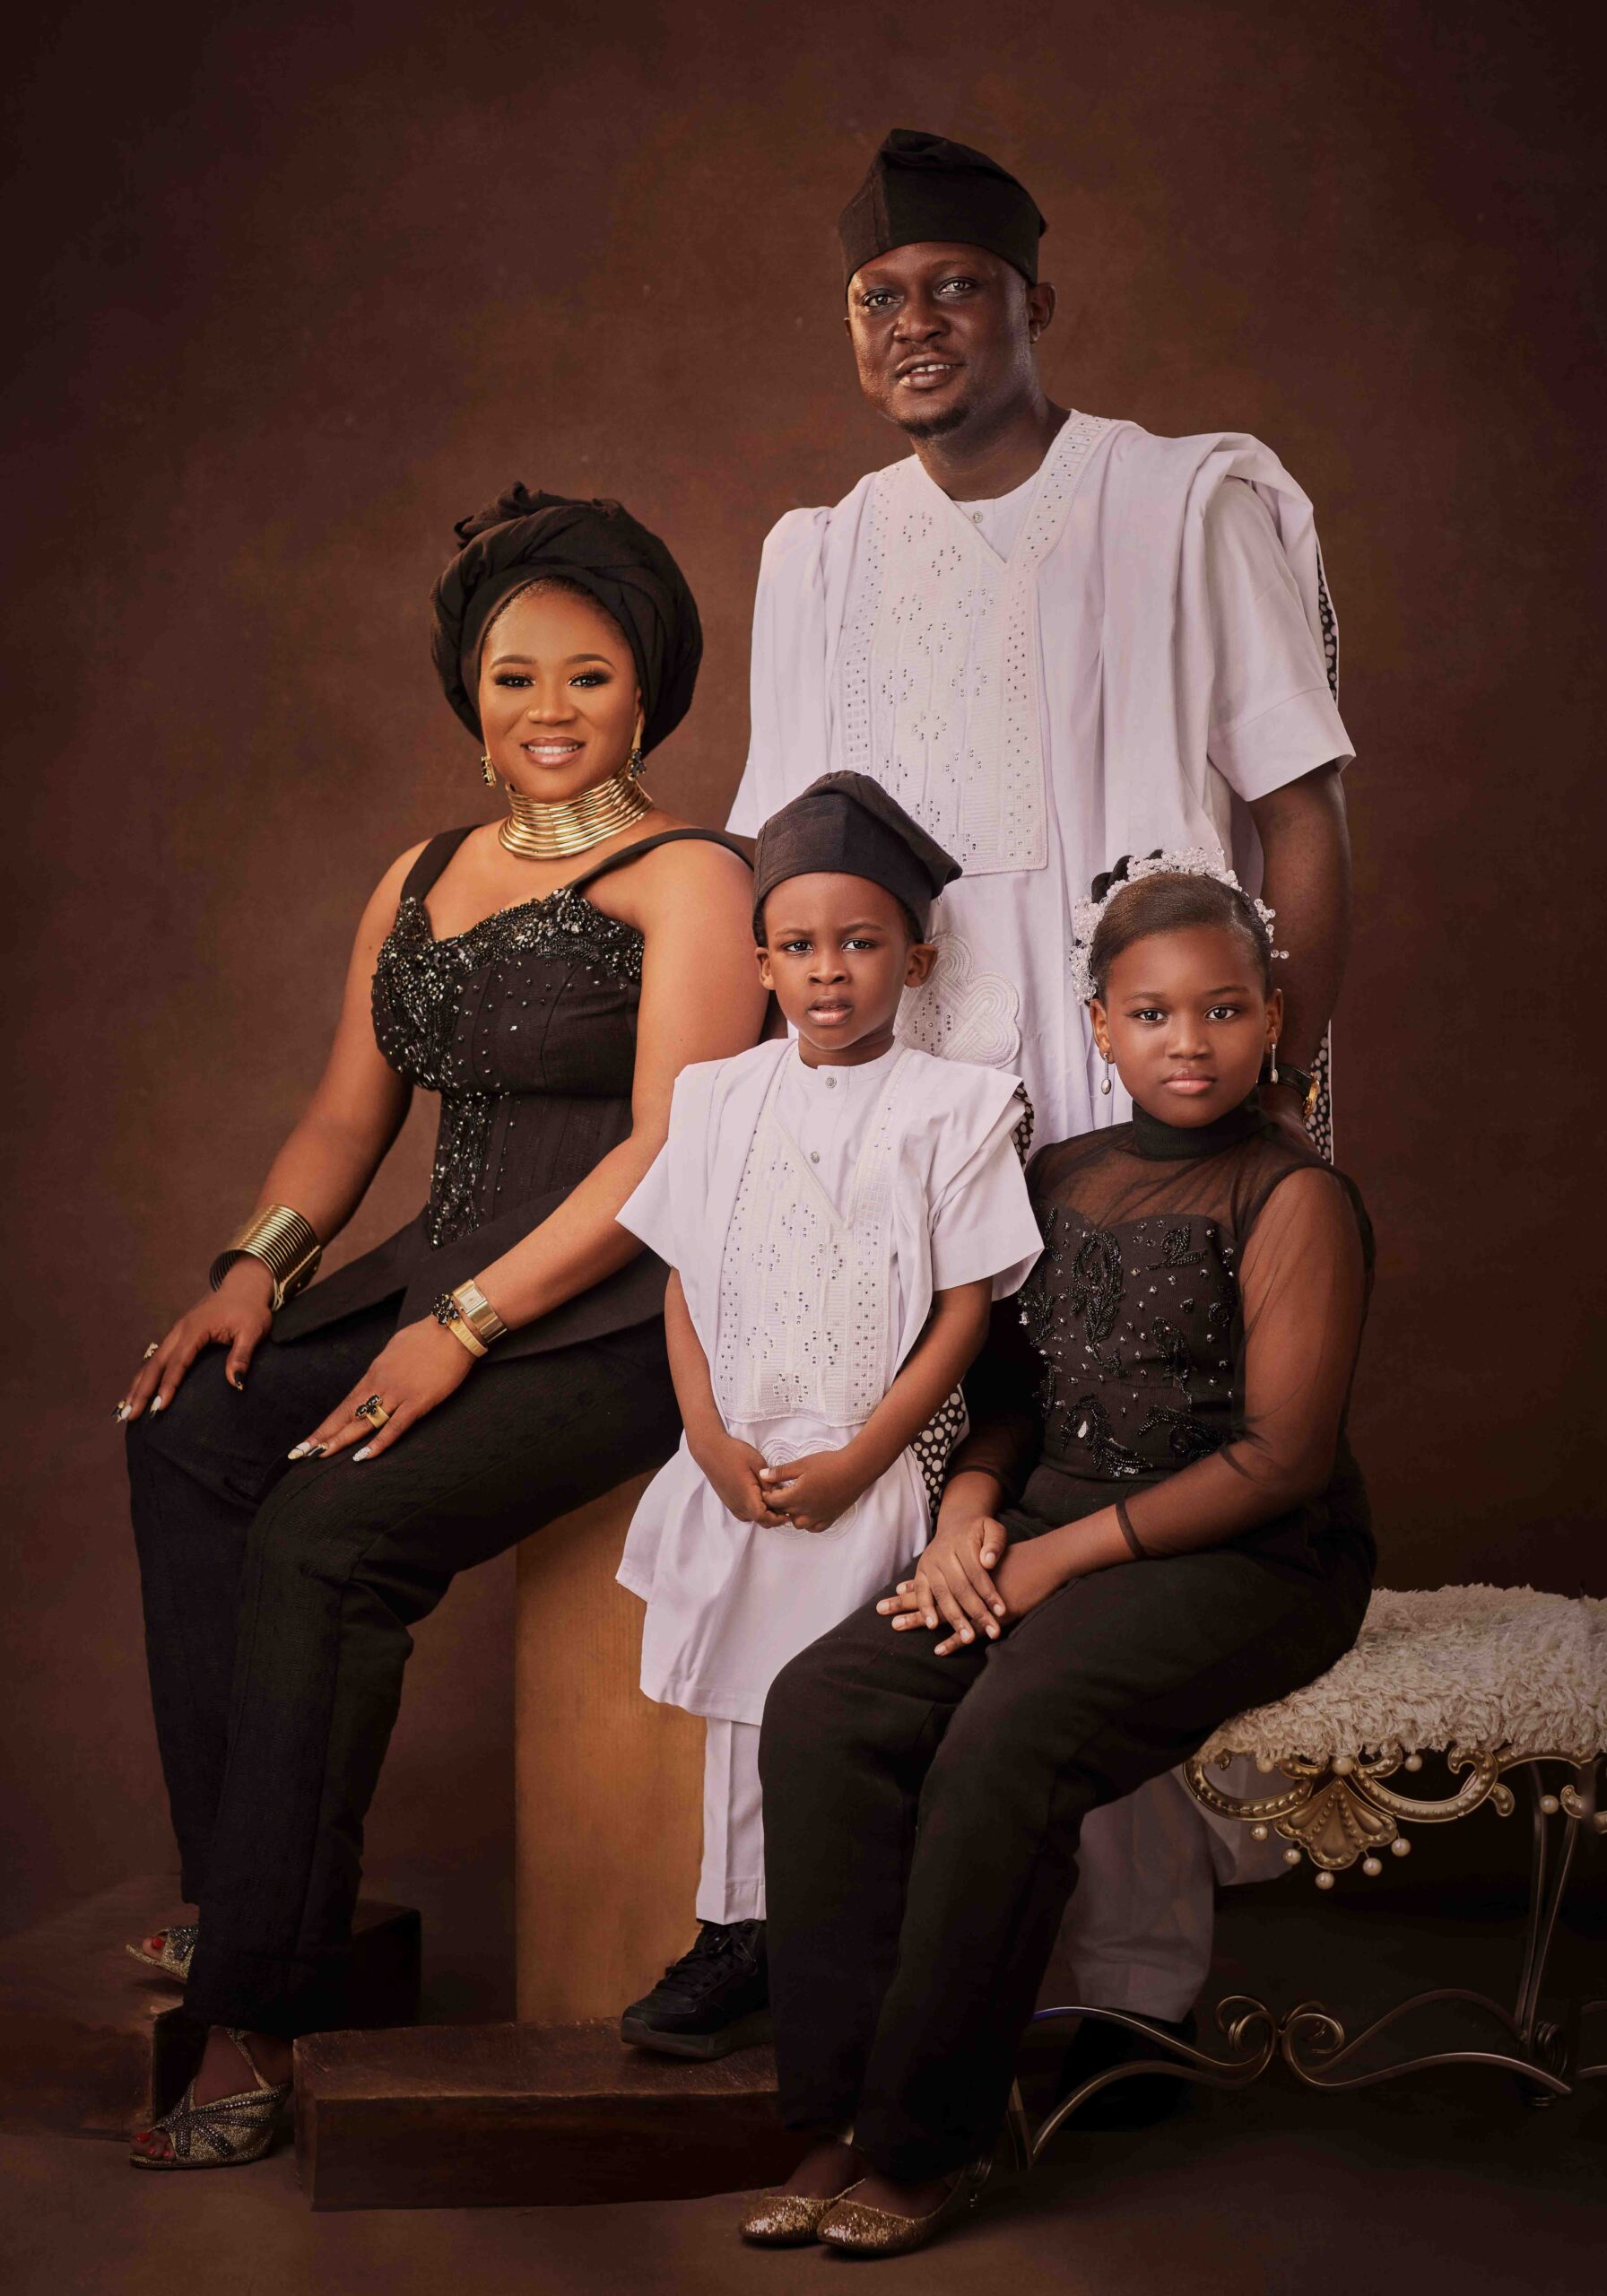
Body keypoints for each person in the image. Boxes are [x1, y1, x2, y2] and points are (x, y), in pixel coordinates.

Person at [727, 124, 1356, 2053]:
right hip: (903, 1075)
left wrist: (1271, 1091)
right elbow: (780, 865)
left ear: (1032, 302)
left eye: (956, 287)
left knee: (1120, 1464)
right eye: (879, 296)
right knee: (894, 1479)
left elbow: (1299, 811)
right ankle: (844, 1946)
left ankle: (1126, 1982)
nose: (916, 322)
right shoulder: (820, 554)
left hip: (1128, 1064)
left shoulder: (1176, 502)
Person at [116, 483, 765, 2168]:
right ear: (469, 697)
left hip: (620, 1312)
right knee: (190, 1429)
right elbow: (348, 1116)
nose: (549, 710)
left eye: (589, 677)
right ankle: (238, 1890)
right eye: (513, 677)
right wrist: (253, 1268)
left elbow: (671, 1153)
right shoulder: (416, 875)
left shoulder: (695, 877)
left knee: (324, 1537)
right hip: (430, 1281)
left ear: (649, 692)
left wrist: (462, 1326)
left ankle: (260, 2011)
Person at [746, 854, 1375, 2256]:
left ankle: (930, 2143)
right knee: (825, 1706)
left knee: (1009, 1736)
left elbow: (1281, 1461)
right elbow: (1012, 1398)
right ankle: (839, 2112)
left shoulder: (1293, 1198)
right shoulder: (1062, 1175)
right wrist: (971, 1512)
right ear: (1101, 1027)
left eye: (1223, 1010)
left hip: (1250, 1557)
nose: (1188, 1042)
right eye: (1152, 1014)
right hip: (1048, 1523)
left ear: (1272, 1017)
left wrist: (1051, 1563)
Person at [614, 774, 1043, 2058]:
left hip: (871, 1461)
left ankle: (841, 1949)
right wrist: (705, 1436)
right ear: (761, 963)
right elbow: (681, 1277)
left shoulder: (960, 1110)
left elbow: (965, 1308)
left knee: (839, 1711)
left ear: (916, 958)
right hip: (742, 1458)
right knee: (739, 1713)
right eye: (798, 947)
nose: (828, 973)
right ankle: (735, 1932)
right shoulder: (716, 1098)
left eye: (860, 943)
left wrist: (866, 1456)